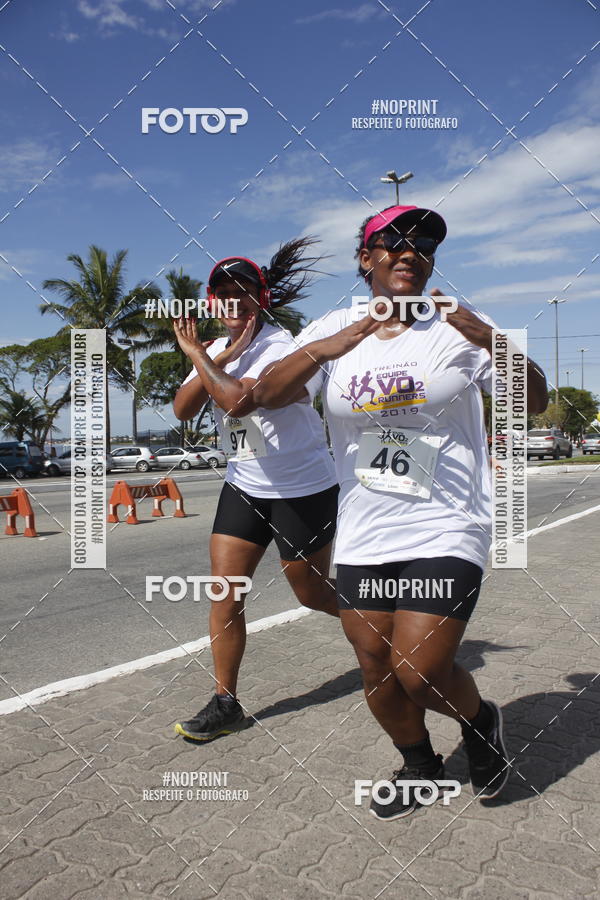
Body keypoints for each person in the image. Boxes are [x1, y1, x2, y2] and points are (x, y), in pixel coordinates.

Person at [253, 205, 548, 819]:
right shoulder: (334, 329)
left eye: (423, 243)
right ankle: (419, 765)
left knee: (420, 668)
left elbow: (534, 399)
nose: (409, 250)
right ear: (367, 259)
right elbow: (265, 395)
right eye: (392, 242)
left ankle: (480, 720)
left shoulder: (456, 325)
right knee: (376, 669)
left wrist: (489, 338)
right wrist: (333, 344)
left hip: (447, 521)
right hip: (364, 531)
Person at [171, 239, 339, 742]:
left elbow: (241, 399)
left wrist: (203, 355)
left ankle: (381, 625)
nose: (234, 300)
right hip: (245, 485)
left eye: (245, 290)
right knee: (226, 592)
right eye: (223, 292)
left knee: (311, 595)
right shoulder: (218, 353)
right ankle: (227, 702)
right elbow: (182, 409)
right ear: (212, 302)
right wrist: (214, 356)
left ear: (261, 298)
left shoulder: (286, 347)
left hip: (302, 489)